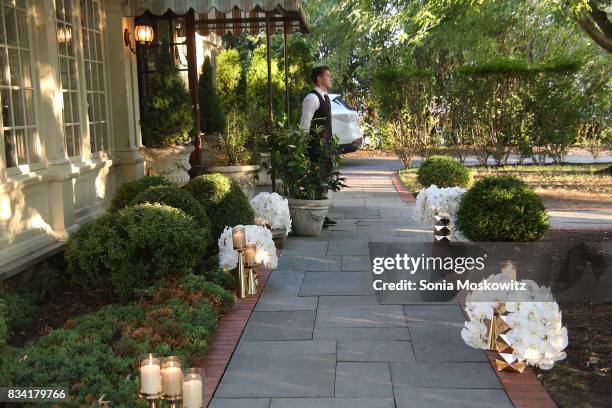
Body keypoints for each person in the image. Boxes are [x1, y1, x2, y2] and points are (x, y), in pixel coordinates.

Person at [299, 65, 337, 227]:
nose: (331, 79)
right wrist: (302, 149)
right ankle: (315, 214)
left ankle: (322, 214)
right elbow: (304, 126)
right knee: (315, 180)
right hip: (315, 148)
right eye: (328, 76)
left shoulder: (326, 97)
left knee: (325, 180)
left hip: (325, 147)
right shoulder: (312, 98)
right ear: (319, 79)